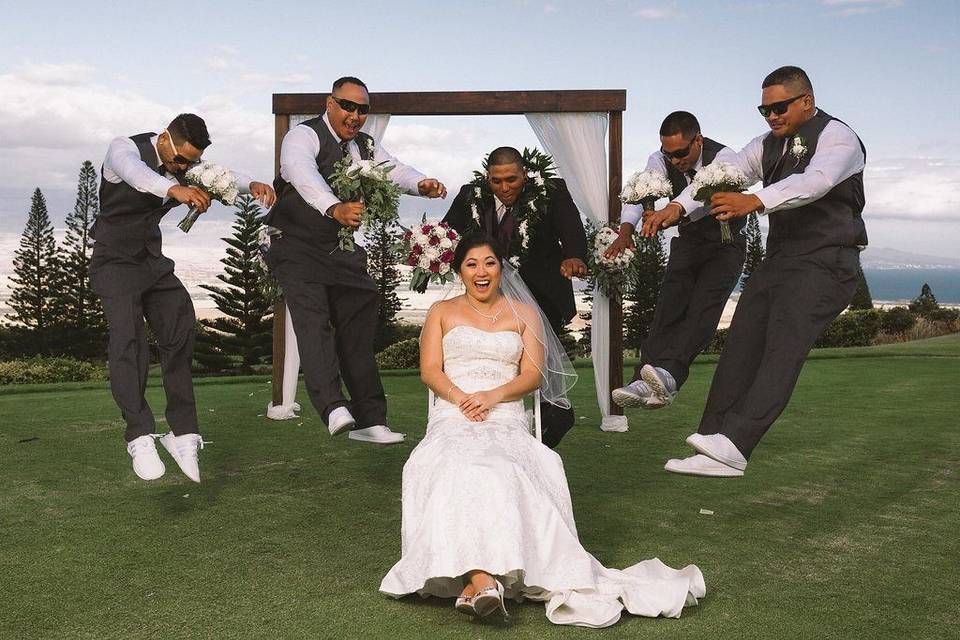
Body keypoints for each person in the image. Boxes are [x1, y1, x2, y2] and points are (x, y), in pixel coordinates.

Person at [380, 234, 705, 628]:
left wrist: (492, 396)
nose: (481, 272)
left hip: (504, 414)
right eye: (471, 264)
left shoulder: (524, 313)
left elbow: (533, 375)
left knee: (500, 467)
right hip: (454, 413)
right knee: (452, 463)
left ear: (502, 268)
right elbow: (430, 369)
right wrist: (462, 397)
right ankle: (482, 579)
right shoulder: (441, 311)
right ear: (459, 270)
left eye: (489, 263)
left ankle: (480, 583)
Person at [662, 66, 867, 477]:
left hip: (828, 261)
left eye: (779, 107)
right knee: (741, 342)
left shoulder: (838, 137)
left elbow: (817, 182)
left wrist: (753, 202)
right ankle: (712, 444)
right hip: (780, 261)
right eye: (764, 109)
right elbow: (719, 174)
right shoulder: (765, 145)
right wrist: (679, 206)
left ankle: (737, 443)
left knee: (780, 350)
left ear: (806, 101)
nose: (771, 116)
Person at [91, 113, 275, 482]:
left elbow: (219, 176)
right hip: (114, 261)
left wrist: (251, 184)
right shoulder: (124, 150)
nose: (184, 168)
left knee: (181, 328)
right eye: (179, 161)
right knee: (129, 340)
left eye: (190, 163)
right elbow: (136, 175)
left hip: (151, 262)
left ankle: (183, 432)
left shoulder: (186, 163)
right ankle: (139, 435)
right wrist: (173, 187)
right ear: (164, 139)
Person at [265, 76, 447, 445]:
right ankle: (332, 406)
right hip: (295, 246)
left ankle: (370, 419)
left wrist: (421, 183)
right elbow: (302, 174)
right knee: (314, 322)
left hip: (339, 250)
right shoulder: (303, 136)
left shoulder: (364, 145)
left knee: (359, 327)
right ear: (329, 103)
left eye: (363, 109)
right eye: (348, 106)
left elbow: (392, 169)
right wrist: (333, 207)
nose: (355, 115)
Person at [442, 147, 588, 448]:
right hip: (483, 303)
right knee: (497, 362)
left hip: (541, 299)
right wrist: (428, 250)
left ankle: (539, 439)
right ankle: (495, 436)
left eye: (512, 179)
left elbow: (572, 230)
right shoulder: (471, 194)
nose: (505, 188)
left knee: (536, 376)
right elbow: (447, 237)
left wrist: (574, 256)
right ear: (487, 178)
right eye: (496, 181)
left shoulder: (551, 190)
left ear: (525, 174)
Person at [607, 112, 744, 409]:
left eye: (681, 153)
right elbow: (643, 189)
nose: (675, 161)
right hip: (690, 242)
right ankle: (643, 380)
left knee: (701, 311)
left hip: (726, 243)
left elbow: (698, 192)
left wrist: (674, 208)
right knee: (668, 306)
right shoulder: (661, 158)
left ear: (698, 140)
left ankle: (669, 377)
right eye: (669, 154)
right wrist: (626, 230)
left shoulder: (724, 156)